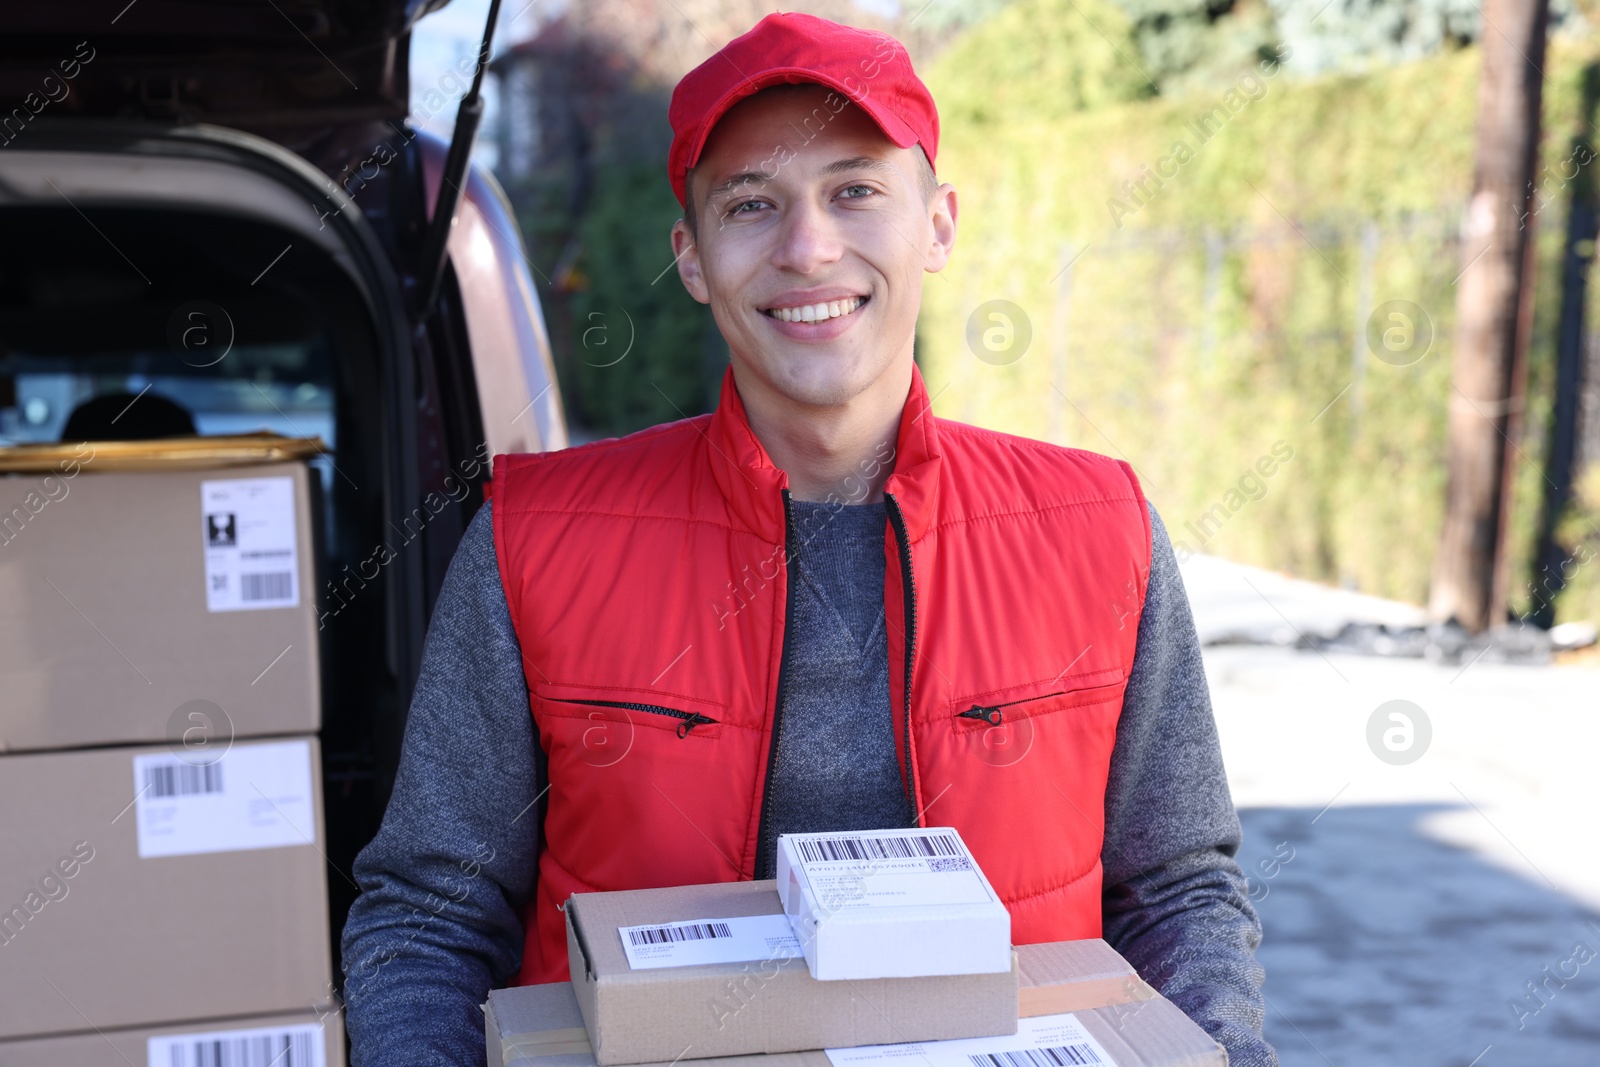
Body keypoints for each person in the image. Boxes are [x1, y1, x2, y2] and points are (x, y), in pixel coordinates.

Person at [340, 12, 1275, 1067]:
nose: (808, 247)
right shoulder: (530, 545)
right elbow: (427, 916)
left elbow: (1178, 888)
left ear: (938, 223)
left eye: (855, 190)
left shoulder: (1099, 532)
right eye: (752, 204)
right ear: (691, 258)